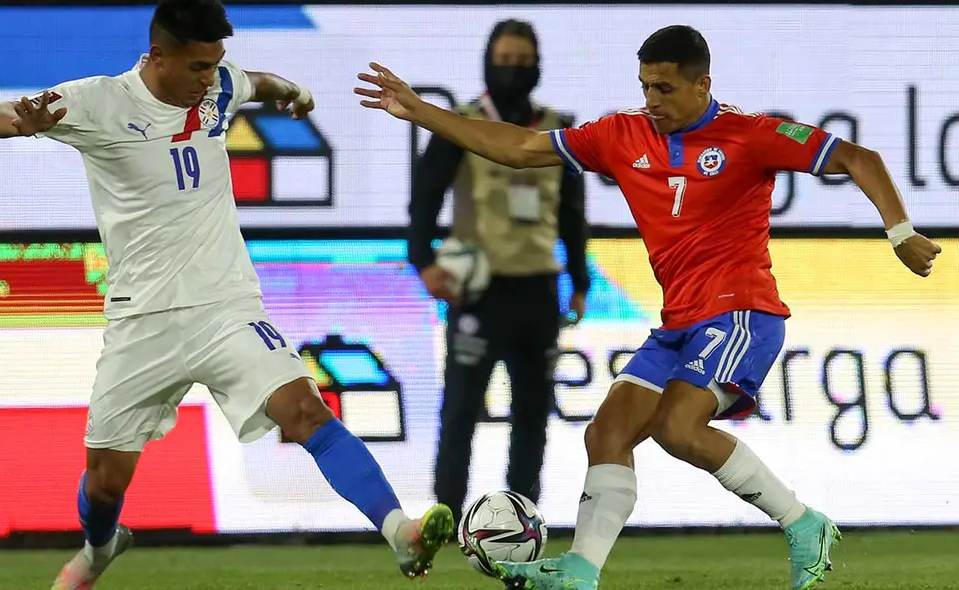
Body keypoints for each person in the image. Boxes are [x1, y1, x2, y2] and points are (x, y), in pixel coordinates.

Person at [355, 24, 941, 590]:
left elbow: (860, 158)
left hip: (741, 313)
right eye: (644, 86)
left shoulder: (753, 134)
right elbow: (523, 147)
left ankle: (805, 524)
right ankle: (579, 572)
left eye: (664, 88)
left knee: (676, 427)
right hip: (680, 323)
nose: (651, 100)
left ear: (702, 85)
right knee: (607, 432)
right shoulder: (622, 134)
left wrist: (900, 232)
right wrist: (420, 110)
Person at [0, 1, 453, 588]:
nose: (210, 78)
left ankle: (399, 531)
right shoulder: (99, 100)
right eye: (199, 66)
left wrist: (295, 92)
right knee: (104, 482)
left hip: (227, 306)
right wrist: (22, 117)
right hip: (141, 322)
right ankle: (98, 551)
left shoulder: (219, 87)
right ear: (157, 57)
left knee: (306, 410)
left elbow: (258, 84)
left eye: (216, 65)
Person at [408, 19, 590, 529]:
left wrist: (580, 280)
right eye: (504, 60)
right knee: (462, 410)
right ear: (488, 64)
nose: (513, 70)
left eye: (522, 61)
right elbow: (425, 196)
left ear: (538, 66)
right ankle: (445, 515)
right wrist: (422, 260)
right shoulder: (462, 124)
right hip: (478, 290)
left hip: (538, 288)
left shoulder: (559, 128)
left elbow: (573, 212)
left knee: (532, 416)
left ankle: (521, 520)